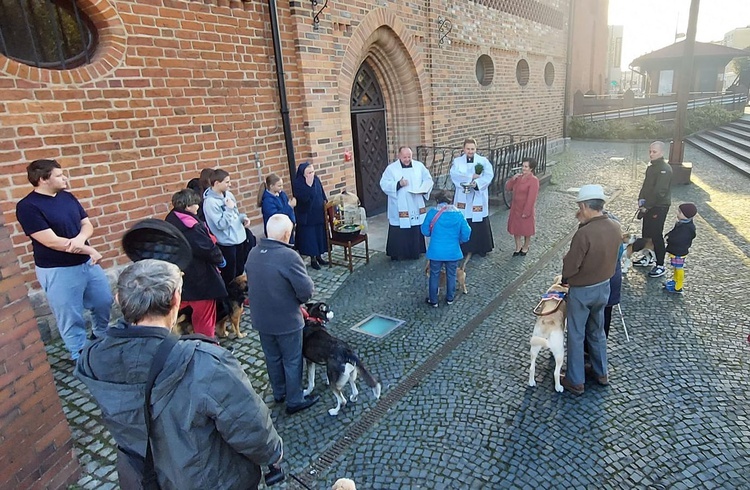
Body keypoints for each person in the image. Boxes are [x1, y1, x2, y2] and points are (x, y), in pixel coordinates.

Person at [76, 259, 283, 489]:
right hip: (208, 480)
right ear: (176, 299)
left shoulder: (92, 357)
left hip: (143, 476)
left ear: (118, 299)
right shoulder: (204, 362)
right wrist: (273, 454)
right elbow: (250, 427)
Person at [15, 159, 112, 362]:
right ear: (43, 179)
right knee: (70, 316)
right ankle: (80, 356)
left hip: (87, 264)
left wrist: (79, 241)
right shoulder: (28, 207)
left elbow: (86, 224)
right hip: (58, 269)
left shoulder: (67, 197)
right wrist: (87, 248)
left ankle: (100, 338)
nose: (64, 178)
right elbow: (51, 241)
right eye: (59, 175)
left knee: (104, 300)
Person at [245, 214, 320, 415]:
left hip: (261, 318)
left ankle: (279, 392)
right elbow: (306, 292)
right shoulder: (288, 256)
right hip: (286, 319)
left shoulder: (254, 253)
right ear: (288, 233)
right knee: (292, 359)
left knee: (272, 357)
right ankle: (294, 399)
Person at [560, 185, 622, 396]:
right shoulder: (615, 226)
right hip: (603, 287)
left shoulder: (584, 233)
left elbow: (571, 266)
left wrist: (566, 277)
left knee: (576, 334)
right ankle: (601, 372)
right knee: (597, 331)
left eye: (580, 206)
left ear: (585, 206)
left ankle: (575, 380)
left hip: (582, 290)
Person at [165, 189, 227, 337]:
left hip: (182, 276)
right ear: (187, 206)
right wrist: (220, 260)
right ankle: (207, 346)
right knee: (204, 316)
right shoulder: (190, 226)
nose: (198, 207)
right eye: (195, 204)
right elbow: (207, 248)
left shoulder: (171, 219)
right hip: (200, 279)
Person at [380, 146, 434, 260]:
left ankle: (416, 251)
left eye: (409, 156)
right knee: (399, 228)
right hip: (400, 204)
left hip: (415, 202)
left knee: (415, 227)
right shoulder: (391, 169)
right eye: (404, 157)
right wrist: (398, 184)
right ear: (399, 156)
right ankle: (398, 253)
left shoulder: (419, 166)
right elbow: (384, 184)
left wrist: (423, 189)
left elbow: (428, 179)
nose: (407, 159)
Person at [421, 190, 471, 307]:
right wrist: (460, 240)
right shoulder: (458, 215)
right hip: (453, 251)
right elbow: (467, 232)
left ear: (437, 200)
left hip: (436, 251)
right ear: (451, 201)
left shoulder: (432, 213)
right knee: (451, 274)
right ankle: (450, 298)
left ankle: (433, 300)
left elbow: (425, 230)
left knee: (434, 275)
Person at [203, 168, 253, 285]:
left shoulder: (229, 195)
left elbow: (235, 213)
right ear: (217, 183)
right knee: (230, 274)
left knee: (240, 270)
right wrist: (228, 209)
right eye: (226, 182)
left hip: (239, 238)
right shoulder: (210, 202)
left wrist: (243, 218)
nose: (229, 184)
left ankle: (241, 295)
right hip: (227, 242)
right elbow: (221, 225)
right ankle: (231, 298)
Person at [450, 138, 495, 257]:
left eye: (472, 149)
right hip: (463, 196)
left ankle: (481, 248)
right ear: (463, 149)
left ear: (476, 149)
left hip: (477, 195)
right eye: (468, 149)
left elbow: (489, 175)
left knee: (478, 220)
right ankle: (464, 248)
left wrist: (477, 184)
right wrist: (470, 177)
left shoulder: (483, 161)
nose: (470, 151)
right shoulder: (457, 161)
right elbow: (454, 175)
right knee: (464, 219)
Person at [636, 141, 672, 278]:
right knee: (646, 233)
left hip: (659, 206)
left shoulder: (665, 169)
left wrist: (647, 206)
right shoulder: (651, 167)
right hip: (648, 205)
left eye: (654, 152)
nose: (651, 154)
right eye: (650, 151)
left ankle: (660, 264)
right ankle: (648, 257)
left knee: (656, 234)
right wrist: (640, 199)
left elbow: (659, 192)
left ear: (662, 152)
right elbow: (646, 186)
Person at [293, 162, 329, 270]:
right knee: (310, 238)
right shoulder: (298, 183)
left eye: (312, 172)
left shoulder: (316, 179)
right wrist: (309, 186)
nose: (311, 174)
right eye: (309, 172)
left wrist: (325, 202)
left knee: (319, 236)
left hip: (318, 213)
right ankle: (313, 259)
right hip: (307, 216)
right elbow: (303, 199)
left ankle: (319, 256)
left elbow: (321, 192)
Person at [505, 157, 540, 257]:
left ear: (531, 168)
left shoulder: (533, 180)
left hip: (525, 208)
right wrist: (513, 179)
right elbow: (508, 187)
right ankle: (518, 246)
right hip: (515, 208)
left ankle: (525, 246)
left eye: (526, 167)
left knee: (526, 229)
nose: (523, 168)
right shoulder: (519, 178)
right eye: (523, 166)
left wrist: (527, 211)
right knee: (516, 228)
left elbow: (531, 197)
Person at [663, 202, 697, 294]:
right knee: (675, 267)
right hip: (675, 250)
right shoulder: (682, 223)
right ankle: (675, 281)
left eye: (680, 212)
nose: (677, 213)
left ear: (686, 215)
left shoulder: (686, 228)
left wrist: (669, 239)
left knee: (679, 268)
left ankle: (678, 286)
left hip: (679, 251)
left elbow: (679, 239)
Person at [258, 173, 297, 242]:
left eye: (282, 185)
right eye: (279, 185)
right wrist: (289, 206)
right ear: (271, 186)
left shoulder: (282, 194)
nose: (281, 187)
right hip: (276, 232)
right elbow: (275, 216)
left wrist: (293, 222)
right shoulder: (267, 201)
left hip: (286, 229)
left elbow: (289, 210)